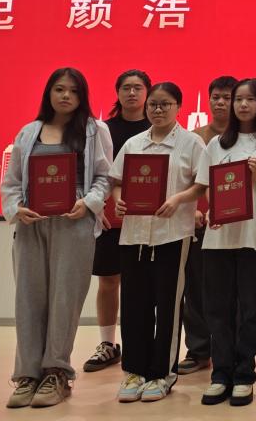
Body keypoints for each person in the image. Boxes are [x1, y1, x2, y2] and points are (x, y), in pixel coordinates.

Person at [2, 68, 113, 409]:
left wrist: (89, 203)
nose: (66, 96)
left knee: (65, 299)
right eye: (59, 89)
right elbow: (11, 182)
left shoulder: (94, 130)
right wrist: (15, 209)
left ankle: (56, 373)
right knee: (28, 298)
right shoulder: (29, 132)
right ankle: (27, 375)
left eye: (73, 91)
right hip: (32, 223)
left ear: (82, 97)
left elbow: (104, 177)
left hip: (73, 222)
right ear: (48, 93)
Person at [110, 82, 208, 403]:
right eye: (153, 104)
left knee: (168, 306)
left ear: (178, 106)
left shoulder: (191, 142)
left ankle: (162, 374)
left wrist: (179, 198)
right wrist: (119, 200)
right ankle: (134, 371)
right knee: (134, 305)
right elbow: (117, 182)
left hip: (172, 235)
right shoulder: (134, 143)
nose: (158, 110)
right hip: (134, 235)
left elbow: (202, 183)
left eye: (165, 104)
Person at [198, 78, 256, 406]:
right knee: (218, 307)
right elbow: (207, 186)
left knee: (250, 306)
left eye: (250, 99)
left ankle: (244, 373)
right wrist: (216, 208)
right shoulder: (216, 144)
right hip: (220, 235)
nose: (243, 105)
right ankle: (221, 373)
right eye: (239, 100)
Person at [84, 69, 151, 373]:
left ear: (147, 93)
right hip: (110, 219)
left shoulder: (157, 128)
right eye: (126, 87)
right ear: (117, 92)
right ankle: (108, 344)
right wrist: (96, 207)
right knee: (109, 281)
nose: (132, 93)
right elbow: (94, 173)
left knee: (143, 284)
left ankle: (144, 342)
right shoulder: (103, 130)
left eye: (138, 87)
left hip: (150, 219)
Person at [180, 75, 238, 377]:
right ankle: (199, 350)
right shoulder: (195, 138)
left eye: (227, 97)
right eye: (216, 97)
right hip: (201, 225)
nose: (220, 102)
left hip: (238, 224)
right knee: (197, 291)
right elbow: (187, 182)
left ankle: (233, 350)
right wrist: (195, 212)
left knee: (235, 292)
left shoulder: (249, 137)